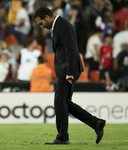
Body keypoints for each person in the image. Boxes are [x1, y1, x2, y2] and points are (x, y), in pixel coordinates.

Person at [34, 7, 105, 145]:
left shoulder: (62, 25)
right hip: (66, 69)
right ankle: (96, 123)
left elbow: (70, 49)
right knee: (64, 103)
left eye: (41, 23)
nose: (41, 27)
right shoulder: (59, 26)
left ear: (48, 17)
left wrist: (70, 72)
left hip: (68, 70)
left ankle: (62, 137)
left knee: (60, 102)